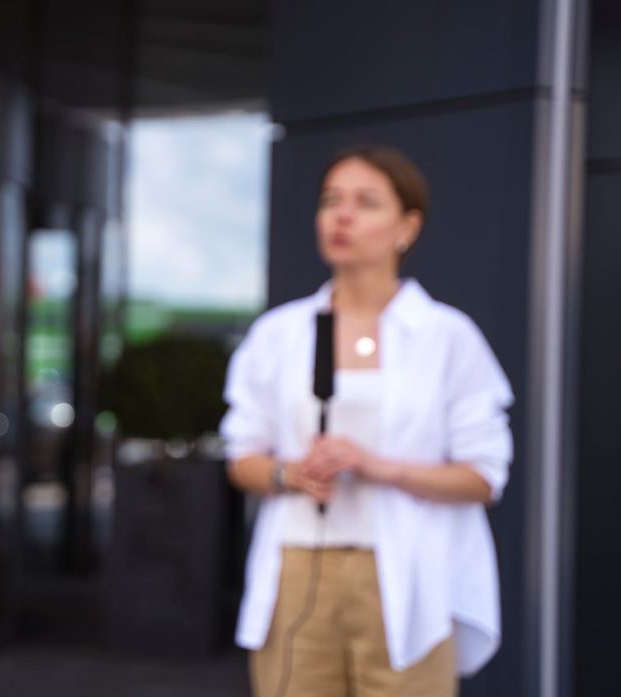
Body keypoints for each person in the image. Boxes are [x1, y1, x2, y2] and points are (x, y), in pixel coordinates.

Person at [220, 145, 513, 697]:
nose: (343, 215)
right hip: (298, 569)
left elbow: (484, 476)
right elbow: (242, 458)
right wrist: (290, 473)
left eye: (365, 202)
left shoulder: (447, 337)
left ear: (407, 227)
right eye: (331, 200)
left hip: (407, 575)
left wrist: (376, 466)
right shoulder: (279, 334)